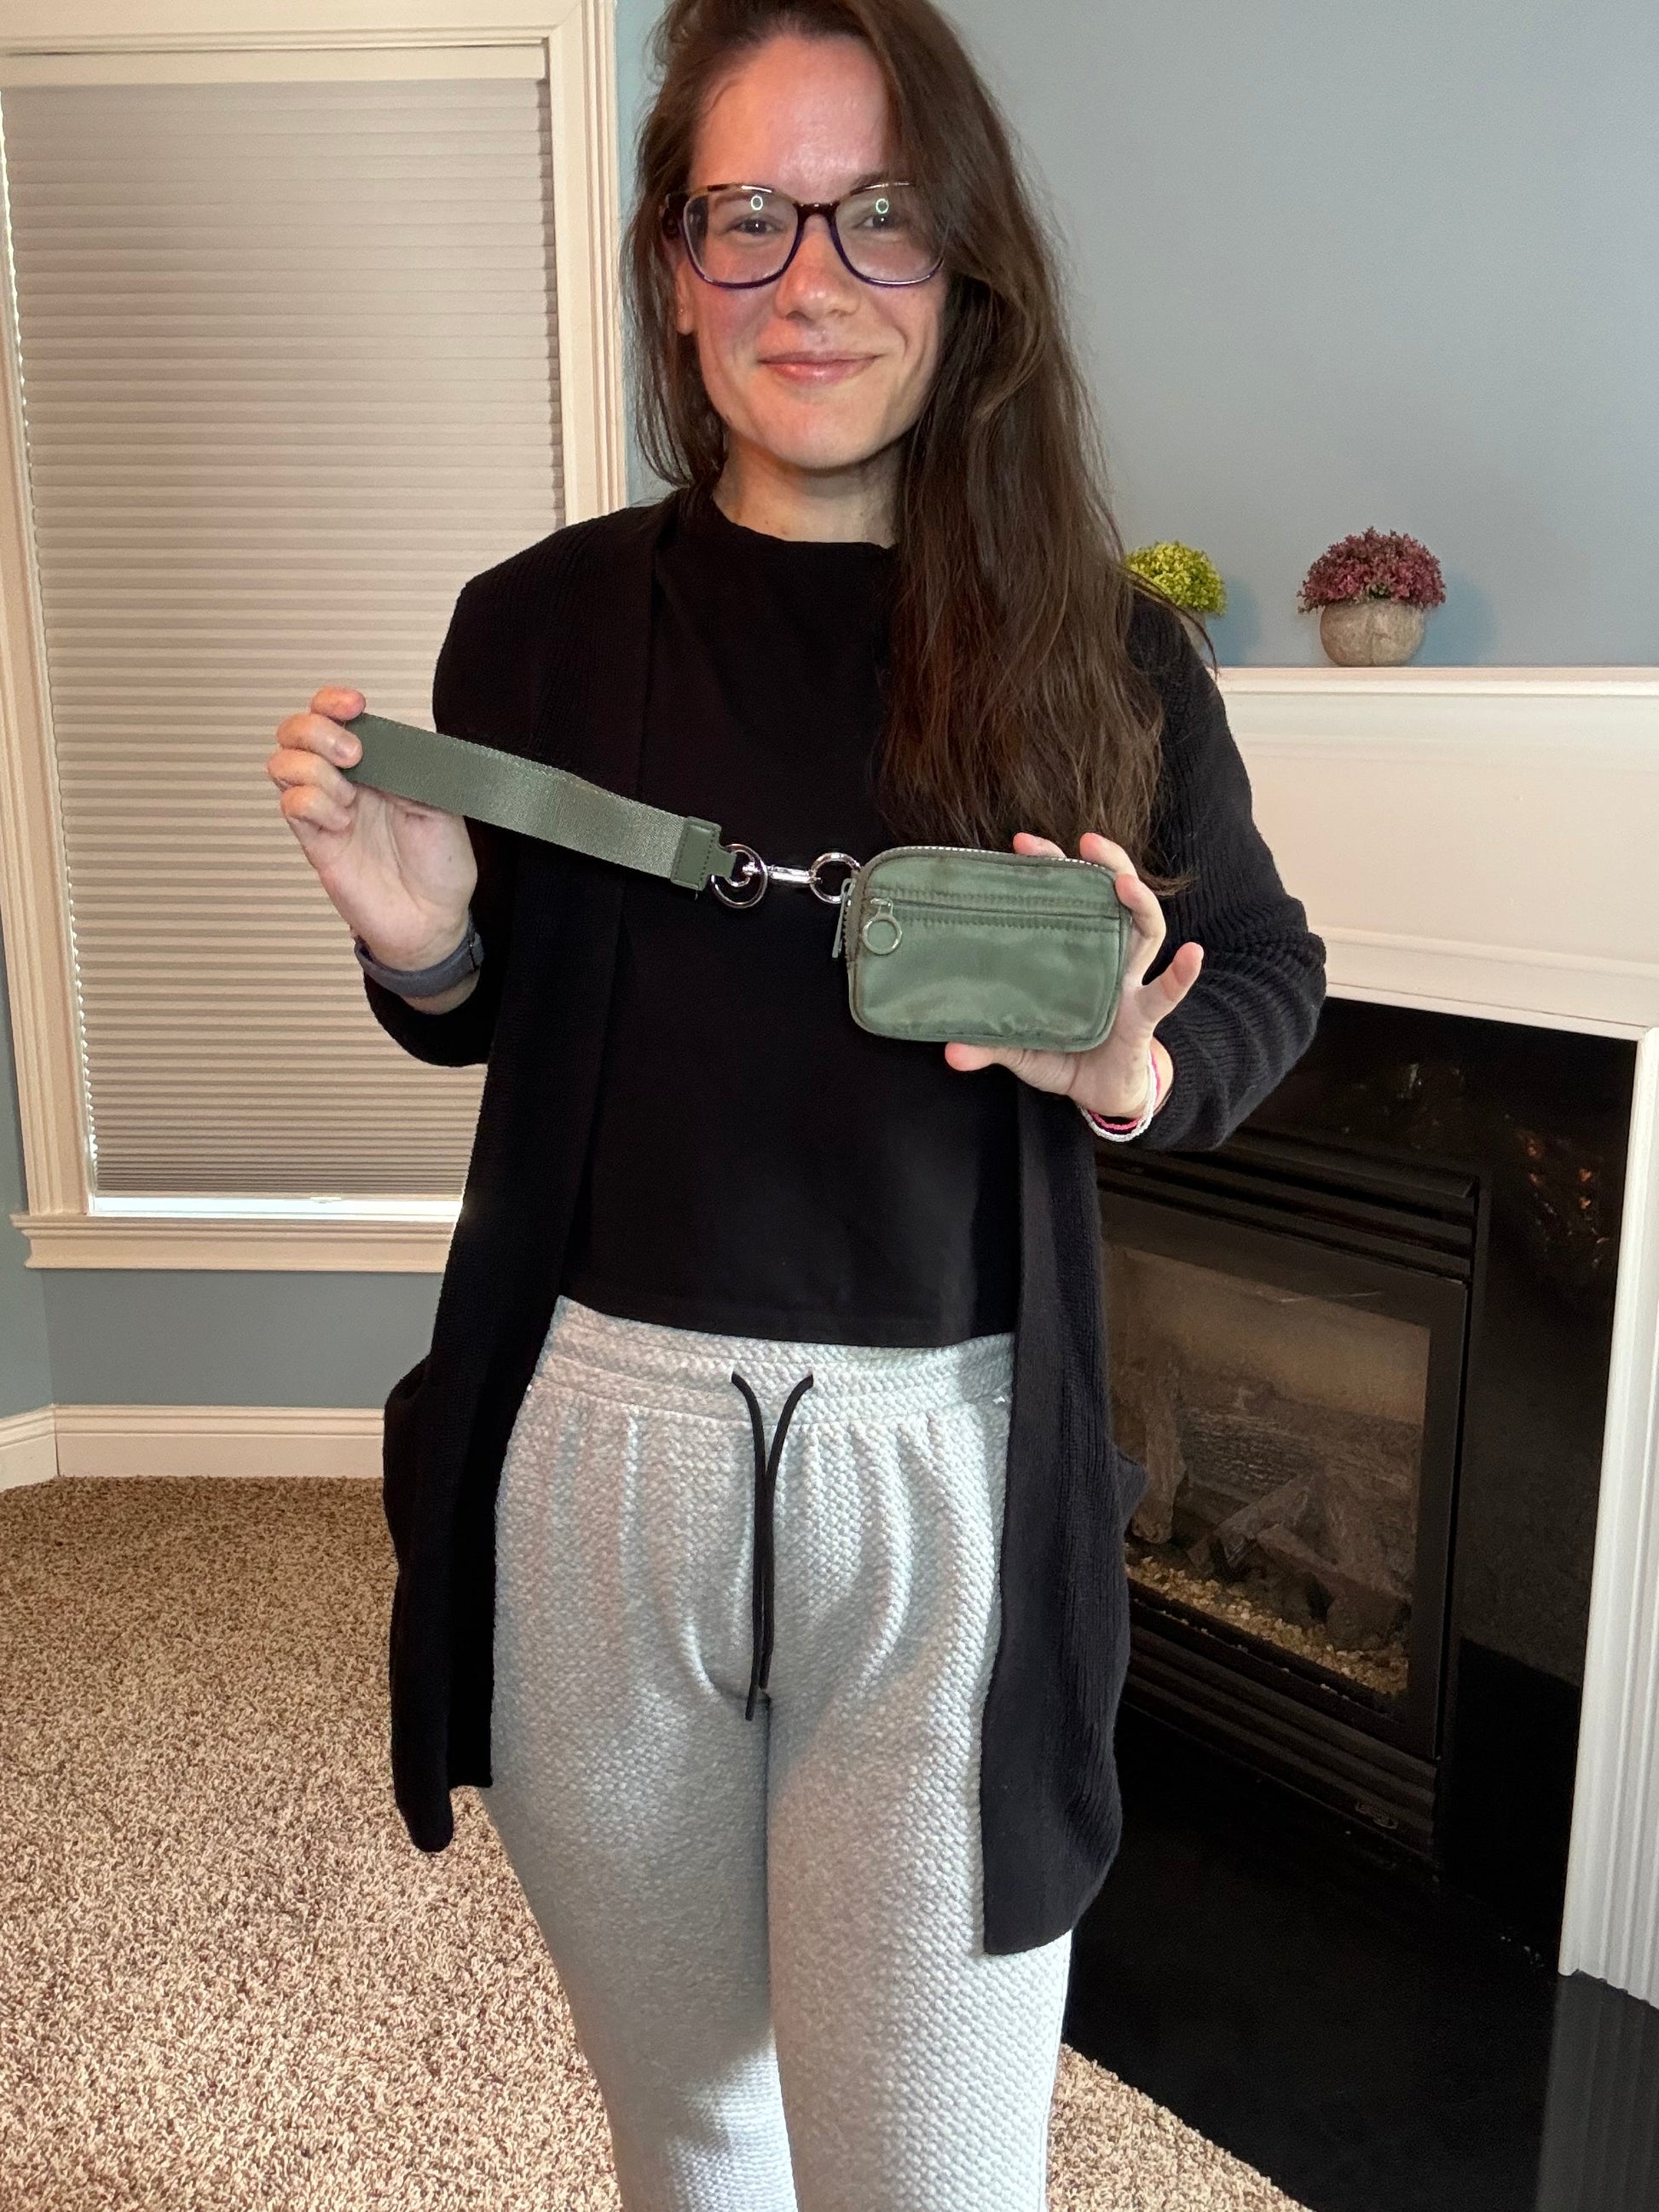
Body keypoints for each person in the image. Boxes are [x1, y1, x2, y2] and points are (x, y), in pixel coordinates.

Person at [265, 0, 1326, 2203]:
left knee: (931, 2167)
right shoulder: (535, 635)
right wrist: (422, 945)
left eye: (878, 217)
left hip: (949, 1480)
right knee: (691, 2132)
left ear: (965, 264)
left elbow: (1269, 973)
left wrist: (1130, 1064)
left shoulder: (1104, 652)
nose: (810, 280)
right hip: (597, 1465)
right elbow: (492, 1024)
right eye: (745, 216)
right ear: (674, 265)